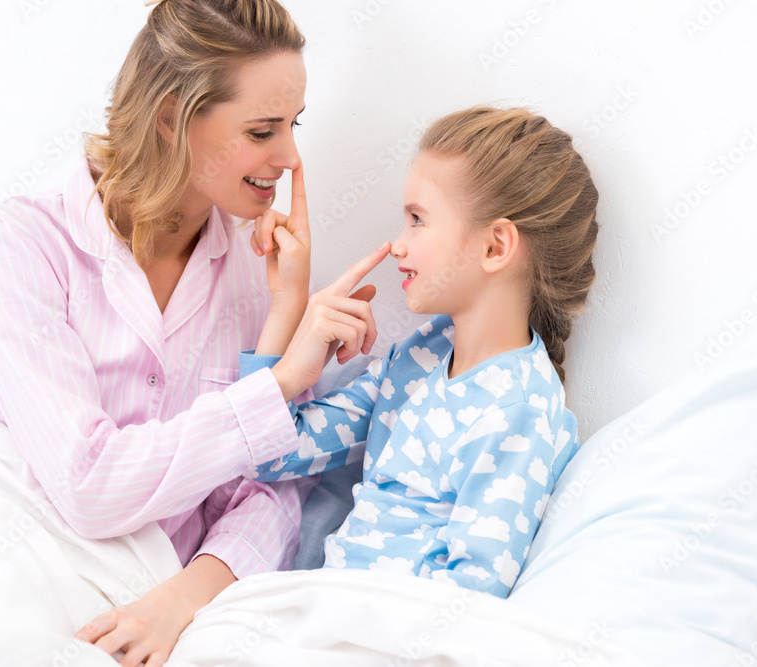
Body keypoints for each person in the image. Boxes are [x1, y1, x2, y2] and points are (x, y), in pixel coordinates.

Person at [0, 0, 317, 664]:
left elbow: (273, 489)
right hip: (11, 550)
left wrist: (185, 595)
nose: (291, 157)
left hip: (151, 597)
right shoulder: (24, 242)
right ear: (172, 119)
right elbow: (87, 484)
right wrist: (281, 382)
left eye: (293, 126)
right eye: (264, 130)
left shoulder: (256, 279)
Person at [241, 105, 600, 598]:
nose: (397, 245)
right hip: (316, 608)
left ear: (495, 247)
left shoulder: (520, 411)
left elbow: (469, 595)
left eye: (417, 220)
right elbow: (268, 454)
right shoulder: (421, 357)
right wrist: (287, 309)